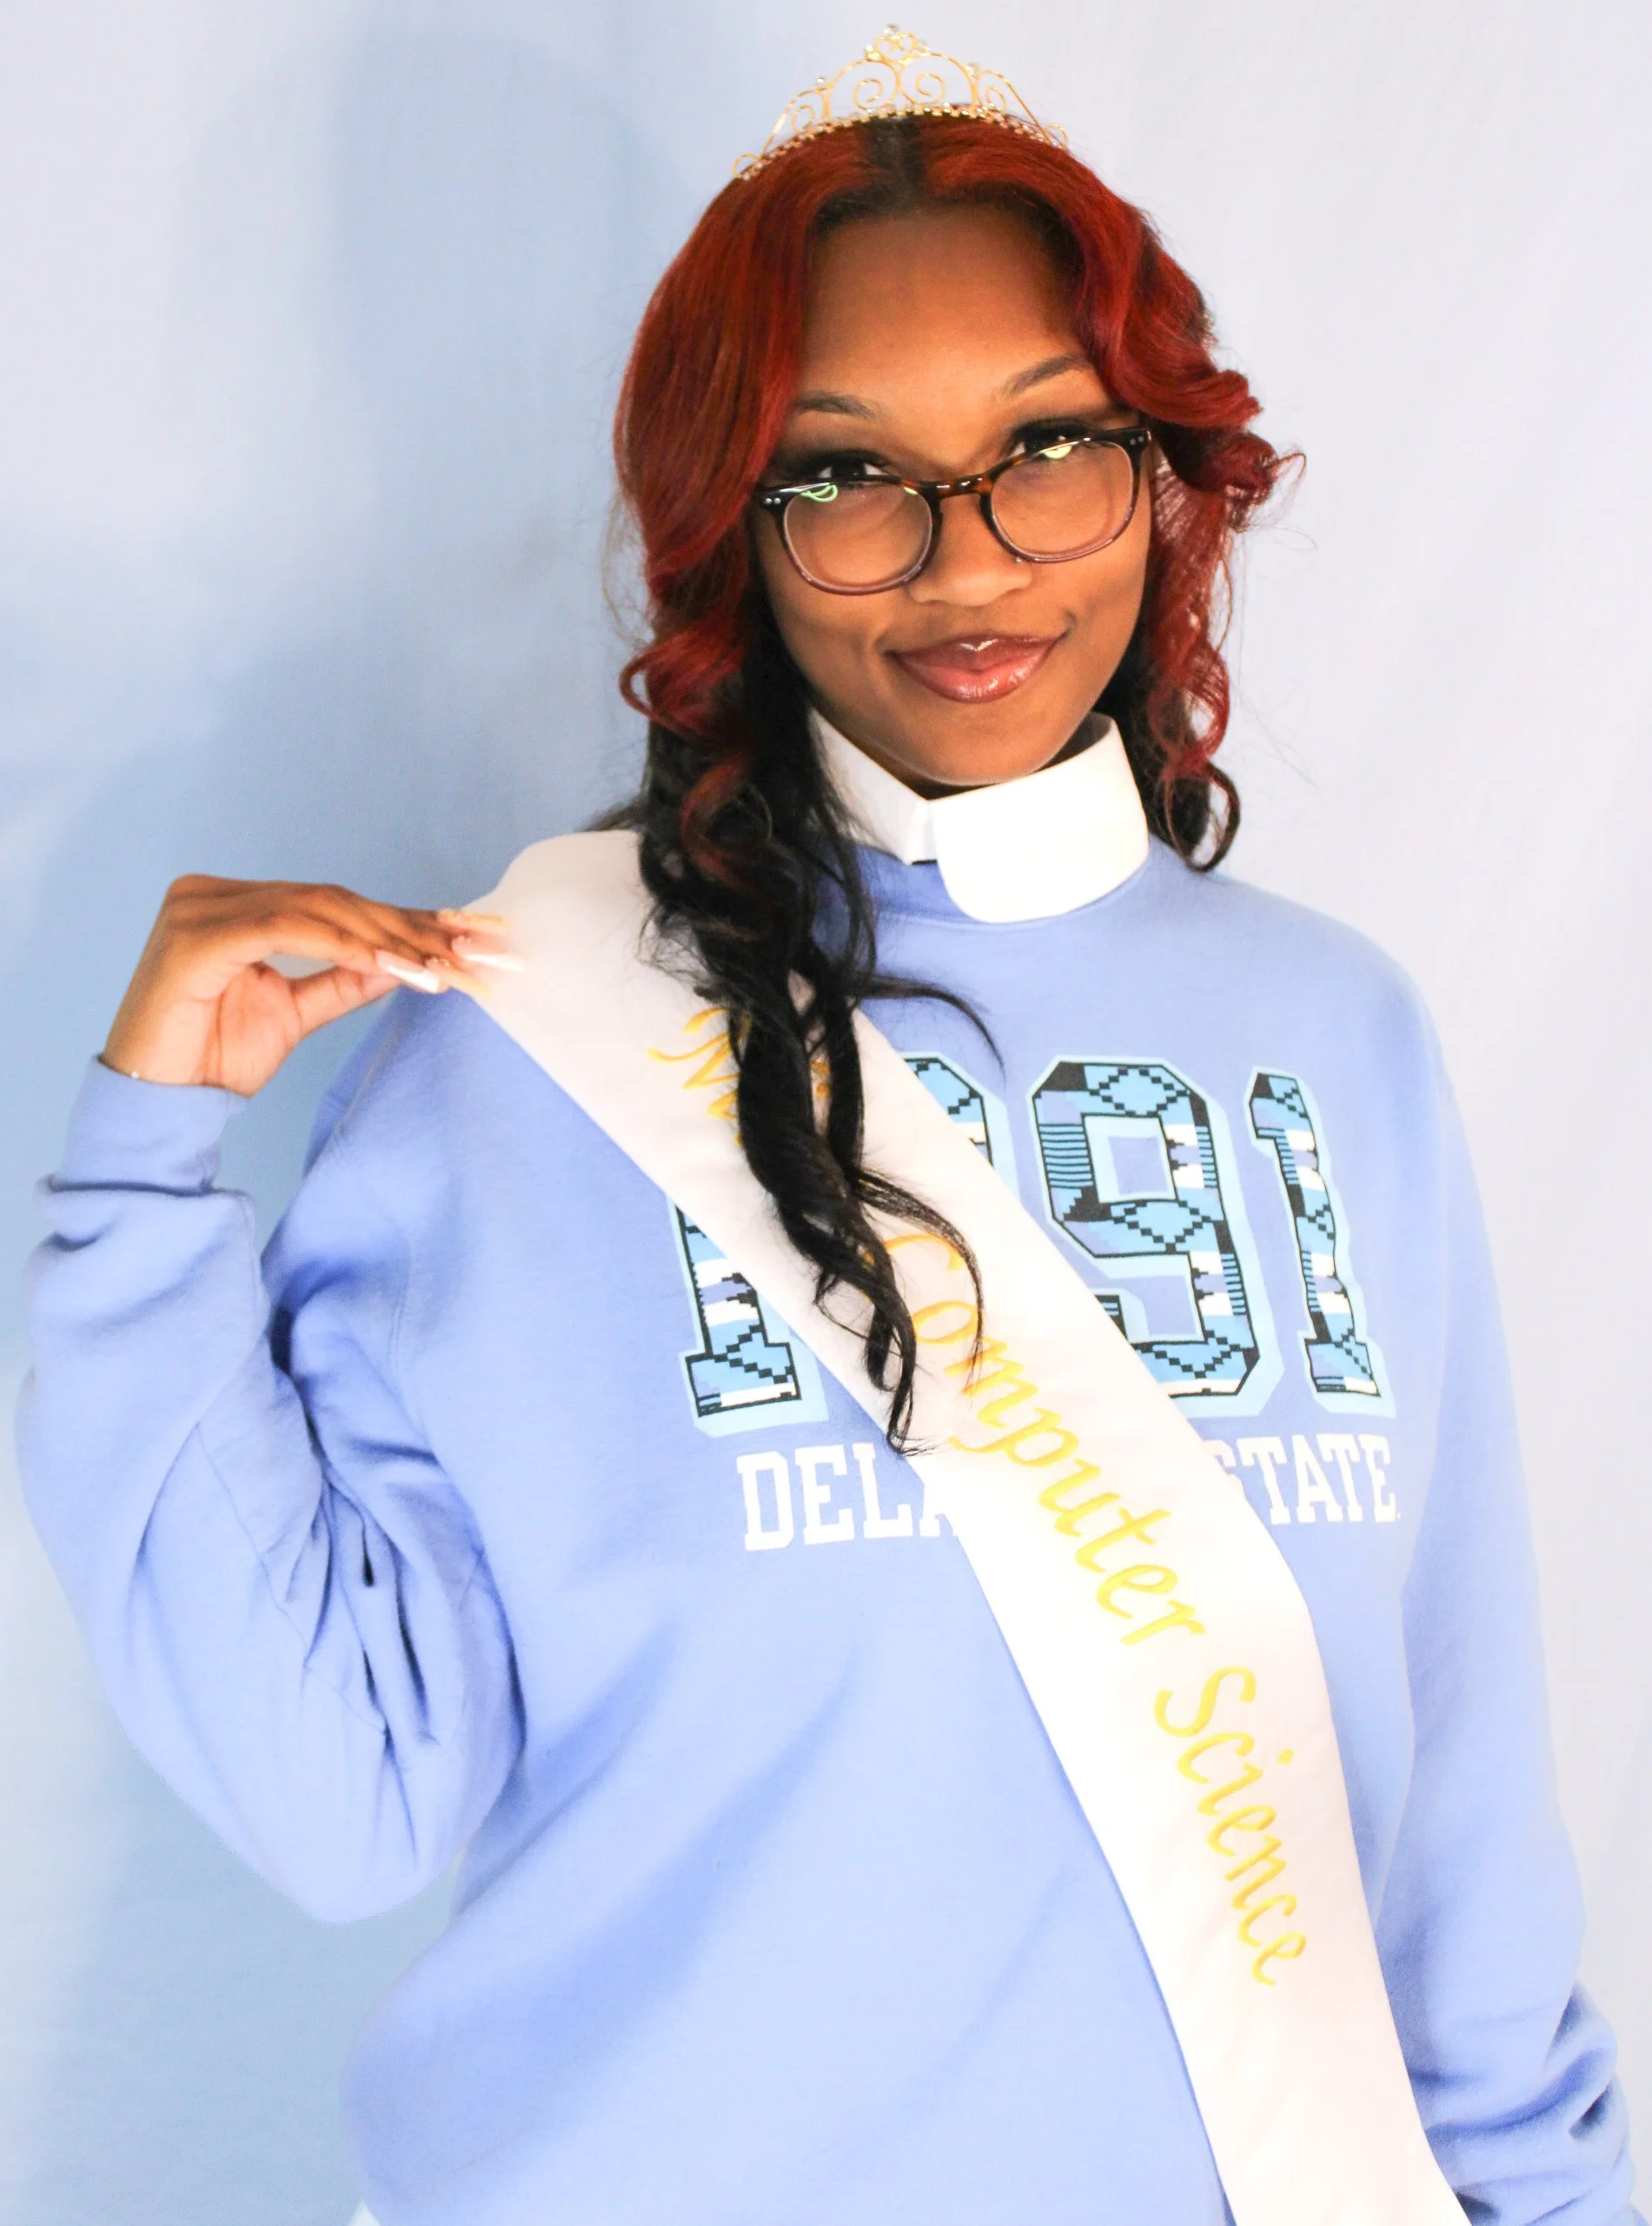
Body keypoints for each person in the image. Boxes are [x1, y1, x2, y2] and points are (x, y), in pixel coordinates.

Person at [17, 33, 1640, 2226]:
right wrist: (136, 1190)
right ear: (737, 538)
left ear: (1163, 475)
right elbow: (349, 1797)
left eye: (1047, 447)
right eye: (847, 475)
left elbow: (1446, 1814)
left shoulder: (1325, 1035)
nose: (964, 564)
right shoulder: (519, 1039)